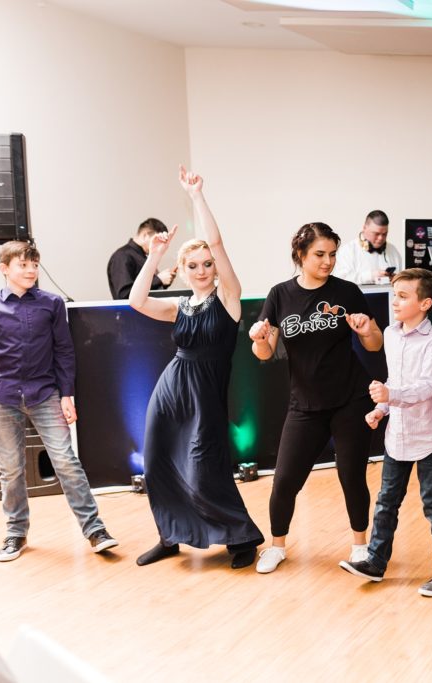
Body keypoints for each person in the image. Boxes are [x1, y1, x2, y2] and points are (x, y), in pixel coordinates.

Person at [128, 166, 264, 570]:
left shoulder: (229, 299)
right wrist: (154, 256)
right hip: (171, 389)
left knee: (205, 468)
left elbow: (217, 242)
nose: (203, 270)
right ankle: (169, 536)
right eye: (195, 266)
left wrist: (196, 197)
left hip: (205, 394)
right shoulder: (179, 306)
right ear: (184, 271)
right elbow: (136, 301)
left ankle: (240, 537)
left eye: (207, 264)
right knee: (157, 461)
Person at [250, 222, 384, 574]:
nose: (328, 262)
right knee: (285, 480)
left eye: (333, 254)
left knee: (351, 475)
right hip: (304, 404)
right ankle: (276, 546)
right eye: (319, 255)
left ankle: (360, 545)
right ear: (300, 256)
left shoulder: (347, 291)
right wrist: (260, 338)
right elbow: (264, 353)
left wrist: (367, 330)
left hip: (349, 399)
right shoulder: (280, 295)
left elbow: (375, 343)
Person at [0, 241, 118, 562]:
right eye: (22, 265)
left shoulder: (52, 304)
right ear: (4, 269)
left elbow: (64, 351)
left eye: (34, 265)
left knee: (66, 461)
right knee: (10, 470)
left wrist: (67, 394)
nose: (30, 270)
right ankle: (15, 533)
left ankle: (95, 530)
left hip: (45, 395)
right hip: (4, 397)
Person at [339, 268, 432, 597]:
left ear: (425, 303)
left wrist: (389, 397)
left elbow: (425, 388)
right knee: (386, 502)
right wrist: (381, 410)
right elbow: (394, 381)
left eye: (404, 296)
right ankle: (376, 561)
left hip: (430, 437)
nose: (395, 301)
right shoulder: (391, 335)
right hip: (397, 436)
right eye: (394, 295)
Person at [107, 217, 178, 299]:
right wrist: (158, 280)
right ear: (145, 235)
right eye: (158, 240)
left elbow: (145, 292)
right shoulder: (122, 256)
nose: (160, 244)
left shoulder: (143, 257)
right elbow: (124, 294)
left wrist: (163, 282)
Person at [331, 210, 403, 285]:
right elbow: (340, 280)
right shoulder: (347, 251)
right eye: (376, 234)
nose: (380, 238)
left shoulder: (393, 251)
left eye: (384, 234)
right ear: (364, 228)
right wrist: (370, 276)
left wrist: (396, 279)